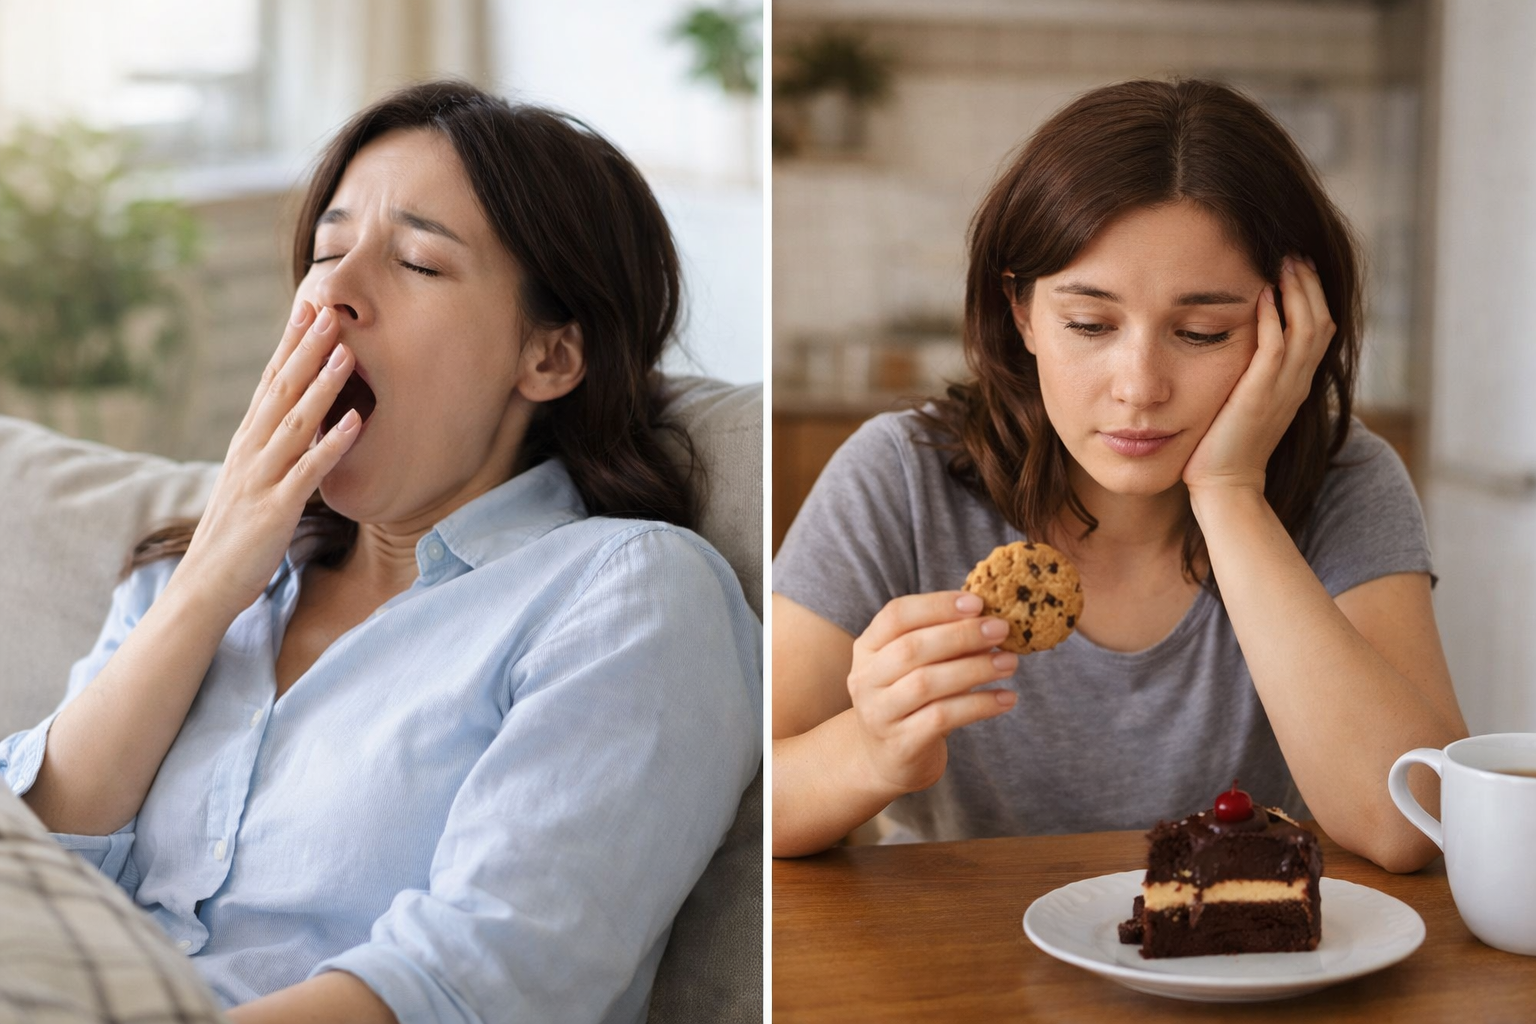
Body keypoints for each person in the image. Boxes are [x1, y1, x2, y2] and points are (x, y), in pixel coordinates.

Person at [0, 81, 761, 1024]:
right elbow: (33, 865)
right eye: (326, 251)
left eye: (416, 262)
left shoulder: (628, 596)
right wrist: (206, 586)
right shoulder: (187, 573)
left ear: (552, 357)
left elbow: (467, 985)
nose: (333, 291)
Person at [772, 78, 1465, 870]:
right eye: (1090, 324)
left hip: (1240, 965)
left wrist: (1231, 494)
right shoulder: (899, 477)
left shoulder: (1347, 479)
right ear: (1022, 314)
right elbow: (760, 792)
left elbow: (1418, 823)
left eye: (1203, 332)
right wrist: (869, 751)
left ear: (1291, 328)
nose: (1139, 386)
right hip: (963, 965)